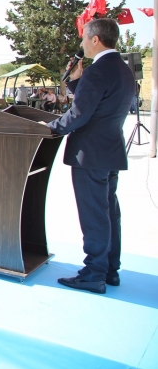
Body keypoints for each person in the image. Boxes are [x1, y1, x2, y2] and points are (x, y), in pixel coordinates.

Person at [47, 19, 135, 294]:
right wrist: (76, 83)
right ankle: (110, 269)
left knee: (95, 215)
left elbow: (79, 115)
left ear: (96, 39)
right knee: (109, 212)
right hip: (109, 152)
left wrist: (48, 128)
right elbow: (99, 103)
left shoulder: (98, 71)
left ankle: (93, 274)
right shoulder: (123, 69)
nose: (82, 44)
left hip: (90, 155)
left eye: (84, 38)